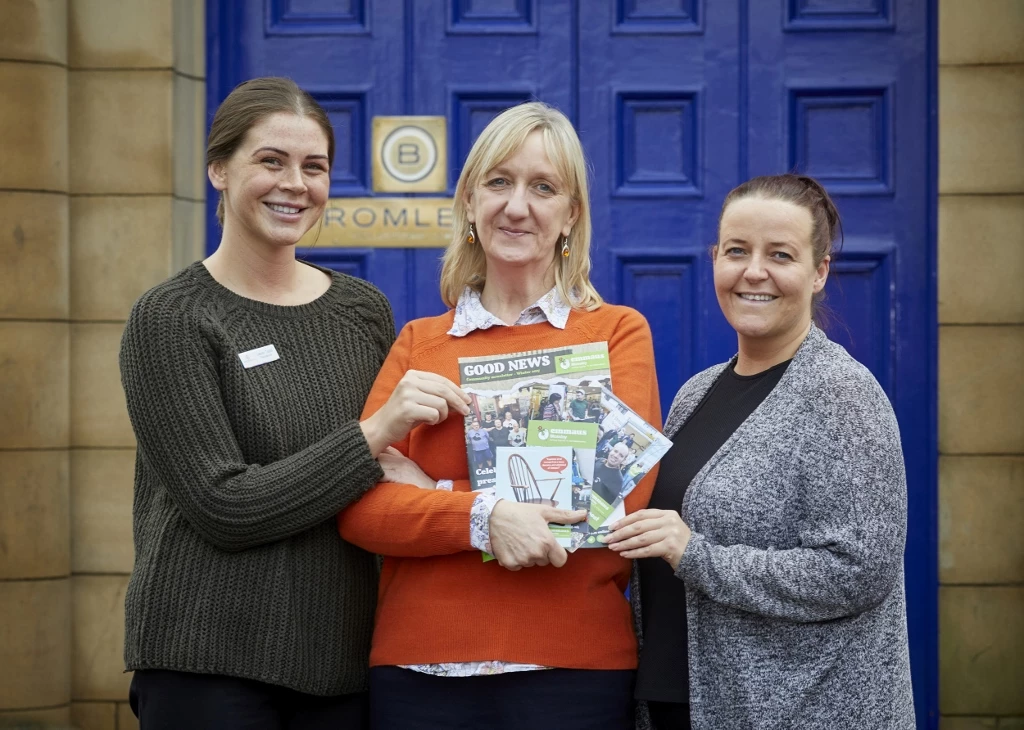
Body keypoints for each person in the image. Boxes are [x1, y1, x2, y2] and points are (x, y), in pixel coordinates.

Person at [118, 77, 468, 730]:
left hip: (343, 660)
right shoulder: (172, 318)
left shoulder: (361, 311)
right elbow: (224, 504)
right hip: (209, 665)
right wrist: (371, 437)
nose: (295, 184)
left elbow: (391, 476)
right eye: (271, 161)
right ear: (219, 169)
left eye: (315, 167)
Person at [337, 101, 661, 730]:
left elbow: (607, 498)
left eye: (543, 187)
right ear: (469, 201)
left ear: (571, 215)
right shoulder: (417, 344)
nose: (518, 206)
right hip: (418, 669)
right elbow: (361, 510)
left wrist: (438, 494)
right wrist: (489, 516)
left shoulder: (614, 333)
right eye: (499, 182)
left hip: (573, 671)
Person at [605, 174, 915, 730]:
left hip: (796, 710)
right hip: (680, 698)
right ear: (714, 259)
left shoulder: (841, 393)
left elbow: (859, 571)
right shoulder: (695, 393)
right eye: (737, 251)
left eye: (781, 255)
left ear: (818, 272)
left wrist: (696, 555)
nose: (754, 272)